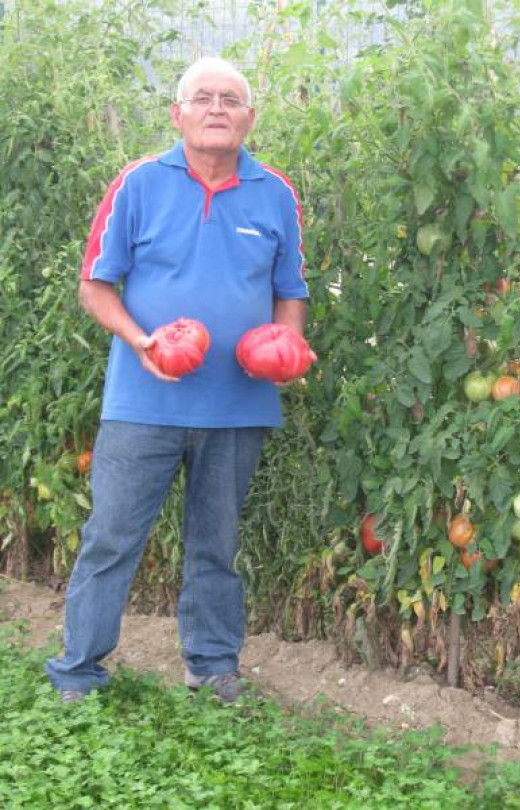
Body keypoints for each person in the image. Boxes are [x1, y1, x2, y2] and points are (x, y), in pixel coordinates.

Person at [45, 56, 309, 703]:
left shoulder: (274, 192)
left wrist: (286, 343)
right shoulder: (138, 183)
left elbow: (289, 290)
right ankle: (79, 672)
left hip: (238, 403)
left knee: (215, 546)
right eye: (203, 98)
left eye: (230, 99)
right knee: (111, 537)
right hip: (144, 401)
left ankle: (212, 666)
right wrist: (140, 343)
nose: (217, 108)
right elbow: (94, 285)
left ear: (248, 117)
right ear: (178, 114)